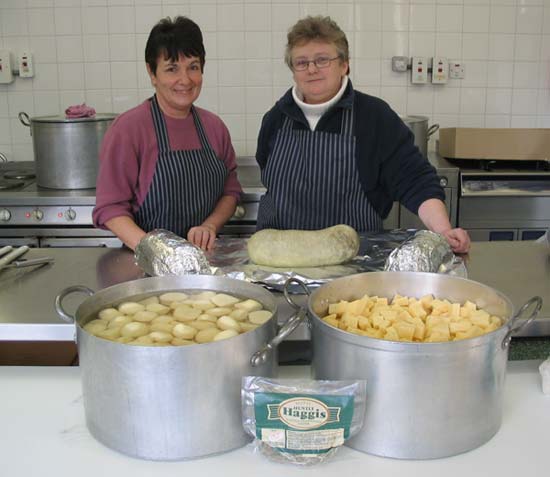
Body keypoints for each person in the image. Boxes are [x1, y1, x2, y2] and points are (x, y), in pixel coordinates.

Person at [255, 16, 470, 253]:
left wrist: (443, 230)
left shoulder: (374, 116)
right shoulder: (275, 119)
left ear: (344, 64)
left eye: (322, 60)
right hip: (280, 257)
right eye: (301, 62)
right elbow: (267, 170)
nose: (312, 69)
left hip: (354, 259)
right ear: (293, 70)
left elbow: (414, 178)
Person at [93, 16, 242, 251]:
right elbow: (110, 209)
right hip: (145, 266)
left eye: (193, 67)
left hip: (203, 263)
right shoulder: (128, 129)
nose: (185, 80)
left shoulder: (214, 128)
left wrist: (210, 226)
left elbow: (230, 192)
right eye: (172, 69)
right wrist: (157, 252)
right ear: (152, 73)